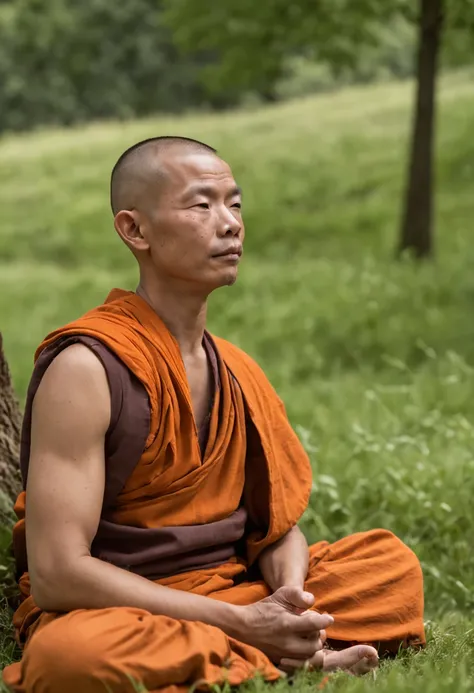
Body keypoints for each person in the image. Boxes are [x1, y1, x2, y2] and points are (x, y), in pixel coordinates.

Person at [3, 136, 425, 693]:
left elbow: (276, 531)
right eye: (201, 205)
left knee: (390, 566)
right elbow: (58, 576)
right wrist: (244, 623)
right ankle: (281, 654)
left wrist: (289, 600)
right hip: (121, 607)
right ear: (135, 230)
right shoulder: (86, 369)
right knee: (68, 656)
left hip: (234, 589)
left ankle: (274, 644)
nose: (229, 223)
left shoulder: (237, 369)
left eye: (235, 204)